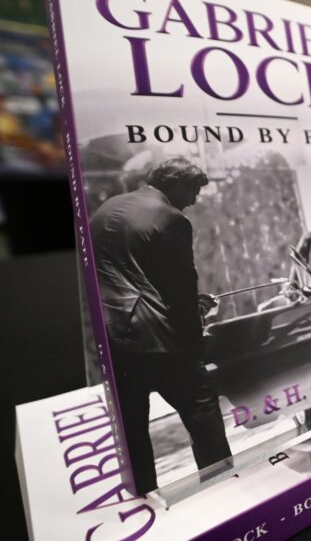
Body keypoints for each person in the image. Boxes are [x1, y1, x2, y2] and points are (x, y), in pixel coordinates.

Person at [90, 156, 231, 492]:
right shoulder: (171, 218)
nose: (194, 200)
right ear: (176, 183)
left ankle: (143, 499)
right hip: (159, 341)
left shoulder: (104, 211)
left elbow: (129, 275)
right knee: (202, 412)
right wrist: (196, 341)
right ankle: (223, 489)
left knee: (132, 431)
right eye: (193, 190)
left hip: (112, 340)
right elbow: (181, 287)